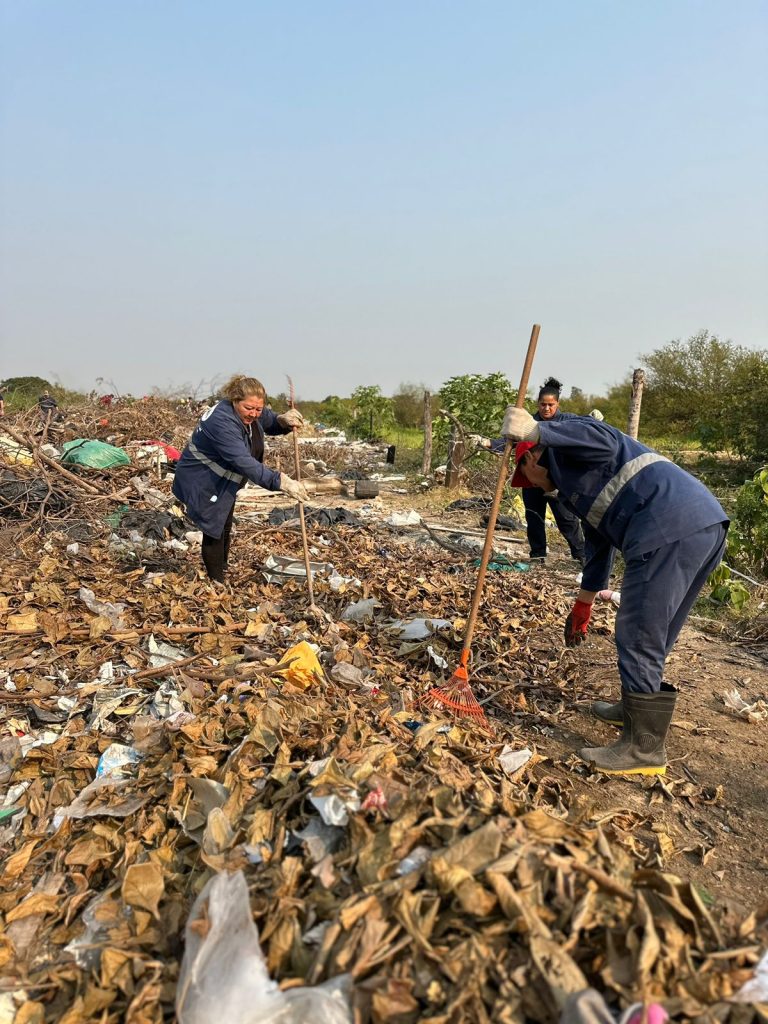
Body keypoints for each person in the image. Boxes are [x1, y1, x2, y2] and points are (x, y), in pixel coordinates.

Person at [501, 406, 728, 776]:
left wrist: (537, 430)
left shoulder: (575, 445)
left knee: (638, 633)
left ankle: (644, 749)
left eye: (523, 474)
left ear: (533, 458)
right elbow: (599, 547)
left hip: (666, 526)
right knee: (658, 631)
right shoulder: (574, 487)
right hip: (700, 525)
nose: (529, 485)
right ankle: (635, 708)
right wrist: (583, 604)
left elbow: (600, 435)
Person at [173, 374, 309, 582]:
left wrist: (282, 421)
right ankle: (216, 581)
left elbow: (267, 419)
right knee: (214, 528)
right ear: (235, 400)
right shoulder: (222, 422)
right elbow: (243, 462)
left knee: (224, 523)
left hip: (223, 478)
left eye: (258, 409)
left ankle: (222, 569)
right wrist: (281, 481)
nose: (254, 414)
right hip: (203, 478)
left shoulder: (248, 412)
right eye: (249, 408)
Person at [473, 377, 586, 564]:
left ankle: (581, 555)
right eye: (543, 404)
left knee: (566, 519)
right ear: (538, 404)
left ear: (557, 404)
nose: (547, 409)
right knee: (534, 517)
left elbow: (586, 427)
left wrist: (594, 421)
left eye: (551, 405)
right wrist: (488, 442)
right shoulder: (528, 422)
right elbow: (509, 440)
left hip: (557, 480)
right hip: (532, 479)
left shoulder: (567, 421)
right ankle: (538, 555)